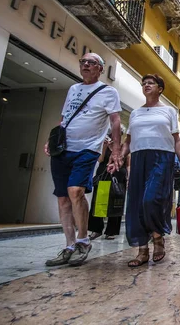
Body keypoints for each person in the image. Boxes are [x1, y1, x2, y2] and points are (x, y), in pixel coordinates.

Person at [44, 53, 122, 267]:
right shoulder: (73, 89)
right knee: (62, 197)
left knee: (75, 191)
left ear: (100, 69)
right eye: (83, 62)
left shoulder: (109, 92)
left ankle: (83, 240)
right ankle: (69, 246)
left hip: (88, 149)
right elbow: (65, 118)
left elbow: (115, 122)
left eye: (91, 63)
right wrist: (52, 140)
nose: (86, 65)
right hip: (62, 149)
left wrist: (115, 151)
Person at [120, 74, 180, 267]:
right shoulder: (135, 113)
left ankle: (158, 236)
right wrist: (118, 155)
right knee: (136, 203)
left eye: (150, 83)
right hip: (138, 158)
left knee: (150, 199)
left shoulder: (168, 111)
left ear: (160, 88)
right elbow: (128, 141)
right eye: (144, 83)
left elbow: (177, 140)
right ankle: (142, 250)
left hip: (162, 158)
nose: (146, 85)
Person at [88, 128, 127, 240]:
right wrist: (105, 147)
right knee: (99, 201)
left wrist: (128, 177)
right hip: (104, 175)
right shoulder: (104, 144)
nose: (114, 136)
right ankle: (96, 229)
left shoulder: (123, 147)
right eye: (112, 133)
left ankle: (111, 231)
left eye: (117, 133)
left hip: (118, 176)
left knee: (116, 203)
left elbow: (128, 162)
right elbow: (100, 160)